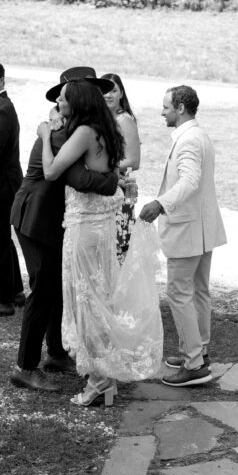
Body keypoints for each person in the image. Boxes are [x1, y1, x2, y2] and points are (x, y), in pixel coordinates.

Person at [40, 78, 163, 406]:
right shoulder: (106, 126)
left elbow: (51, 171)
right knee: (98, 298)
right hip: (101, 227)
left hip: (83, 229)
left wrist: (43, 134)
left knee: (87, 304)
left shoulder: (84, 132)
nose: (59, 104)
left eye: (64, 99)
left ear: (77, 102)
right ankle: (104, 379)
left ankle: (98, 381)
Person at [9, 67, 121, 393]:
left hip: (54, 218)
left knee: (59, 285)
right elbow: (79, 179)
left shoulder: (75, 130)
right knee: (43, 290)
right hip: (36, 216)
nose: (61, 100)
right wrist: (113, 182)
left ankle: (56, 353)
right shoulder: (58, 133)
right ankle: (24, 367)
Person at [139, 85, 227, 387]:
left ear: (179, 107)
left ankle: (194, 365)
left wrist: (159, 203)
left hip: (189, 230)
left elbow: (189, 182)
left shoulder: (188, 140)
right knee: (199, 292)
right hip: (202, 229)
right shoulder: (197, 135)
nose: (162, 112)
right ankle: (199, 351)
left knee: (180, 293)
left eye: (165, 107)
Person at [0, 60, 26, 316]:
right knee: (2, 240)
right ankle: (15, 290)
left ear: (1, 80)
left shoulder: (0, 110)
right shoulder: (0, 106)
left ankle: (4, 300)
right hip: (3, 185)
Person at [101, 72, 141, 262]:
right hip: (104, 190)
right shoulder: (102, 119)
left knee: (117, 248)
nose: (108, 95)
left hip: (120, 190)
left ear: (121, 94)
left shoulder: (124, 120)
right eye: (104, 91)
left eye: (113, 90)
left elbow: (134, 161)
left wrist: (102, 166)